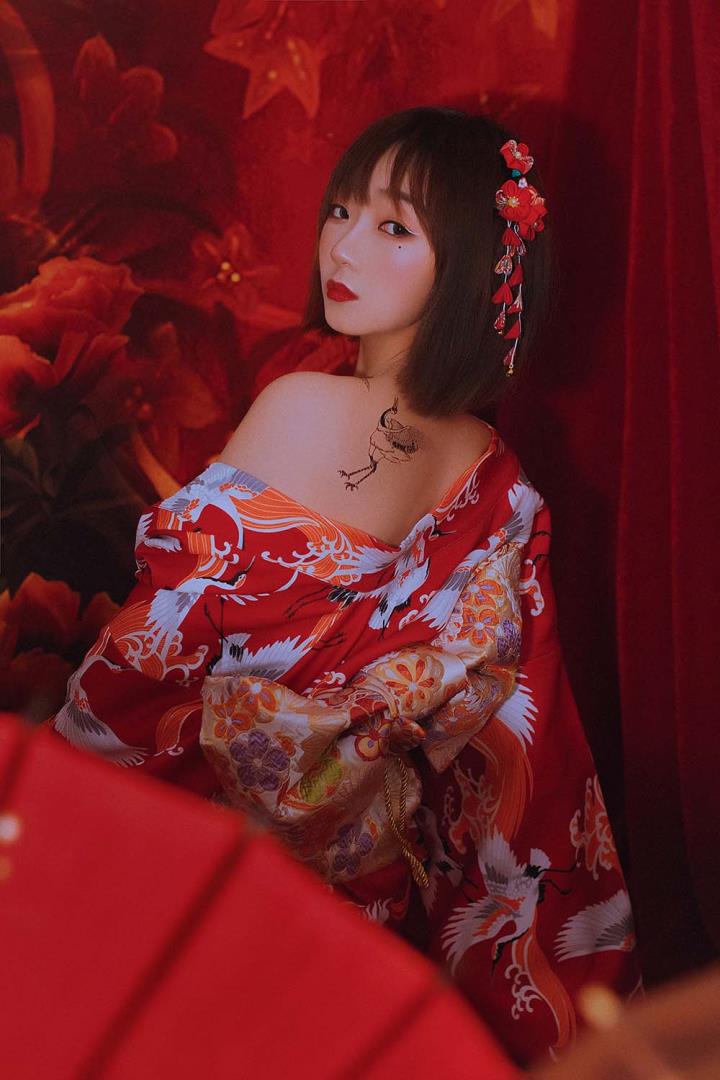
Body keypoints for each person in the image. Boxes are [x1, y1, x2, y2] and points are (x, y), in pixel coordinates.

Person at [47, 106, 641, 1066]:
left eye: (394, 226)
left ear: (474, 266)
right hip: (349, 912)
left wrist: (48, 809)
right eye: (341, 210)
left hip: (198, 880)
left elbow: (148, 660)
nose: (344, 245)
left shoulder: (304, 405)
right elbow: (514, 755)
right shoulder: (499, 477)